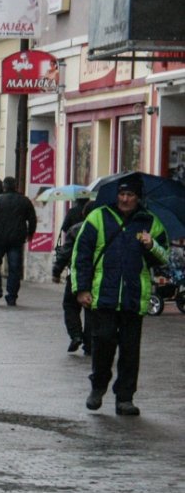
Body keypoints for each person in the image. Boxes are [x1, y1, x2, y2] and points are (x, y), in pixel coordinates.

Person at [72, 173, 169, 416]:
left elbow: (164, 258)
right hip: (103, 295)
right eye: (122, 194)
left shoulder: (151, 223)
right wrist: (81, 289)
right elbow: (81, 255)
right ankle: (98, 386)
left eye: (130, 195)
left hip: (134, 297)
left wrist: (151, 246)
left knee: (130, 351)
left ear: (138, 197)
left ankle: (125, 398)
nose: (125, 199)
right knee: (102, 344)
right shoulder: (98, 217)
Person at [0, 176, 37, 305]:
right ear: (15, 186)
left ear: (4, 187)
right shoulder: (24, 201)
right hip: (16, 240)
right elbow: (32, 219)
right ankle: (12, 296)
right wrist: (30, 233)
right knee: (14, 268)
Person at [53, 200, 92, 354]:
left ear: (83, 214)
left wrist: (57, 270)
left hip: (76, 274)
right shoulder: (105, 229)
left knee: (70, 304)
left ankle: (76, 334)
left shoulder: (76, 229)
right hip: (97, 275)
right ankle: (89, 343)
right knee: (91, 309)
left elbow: (65, 252)